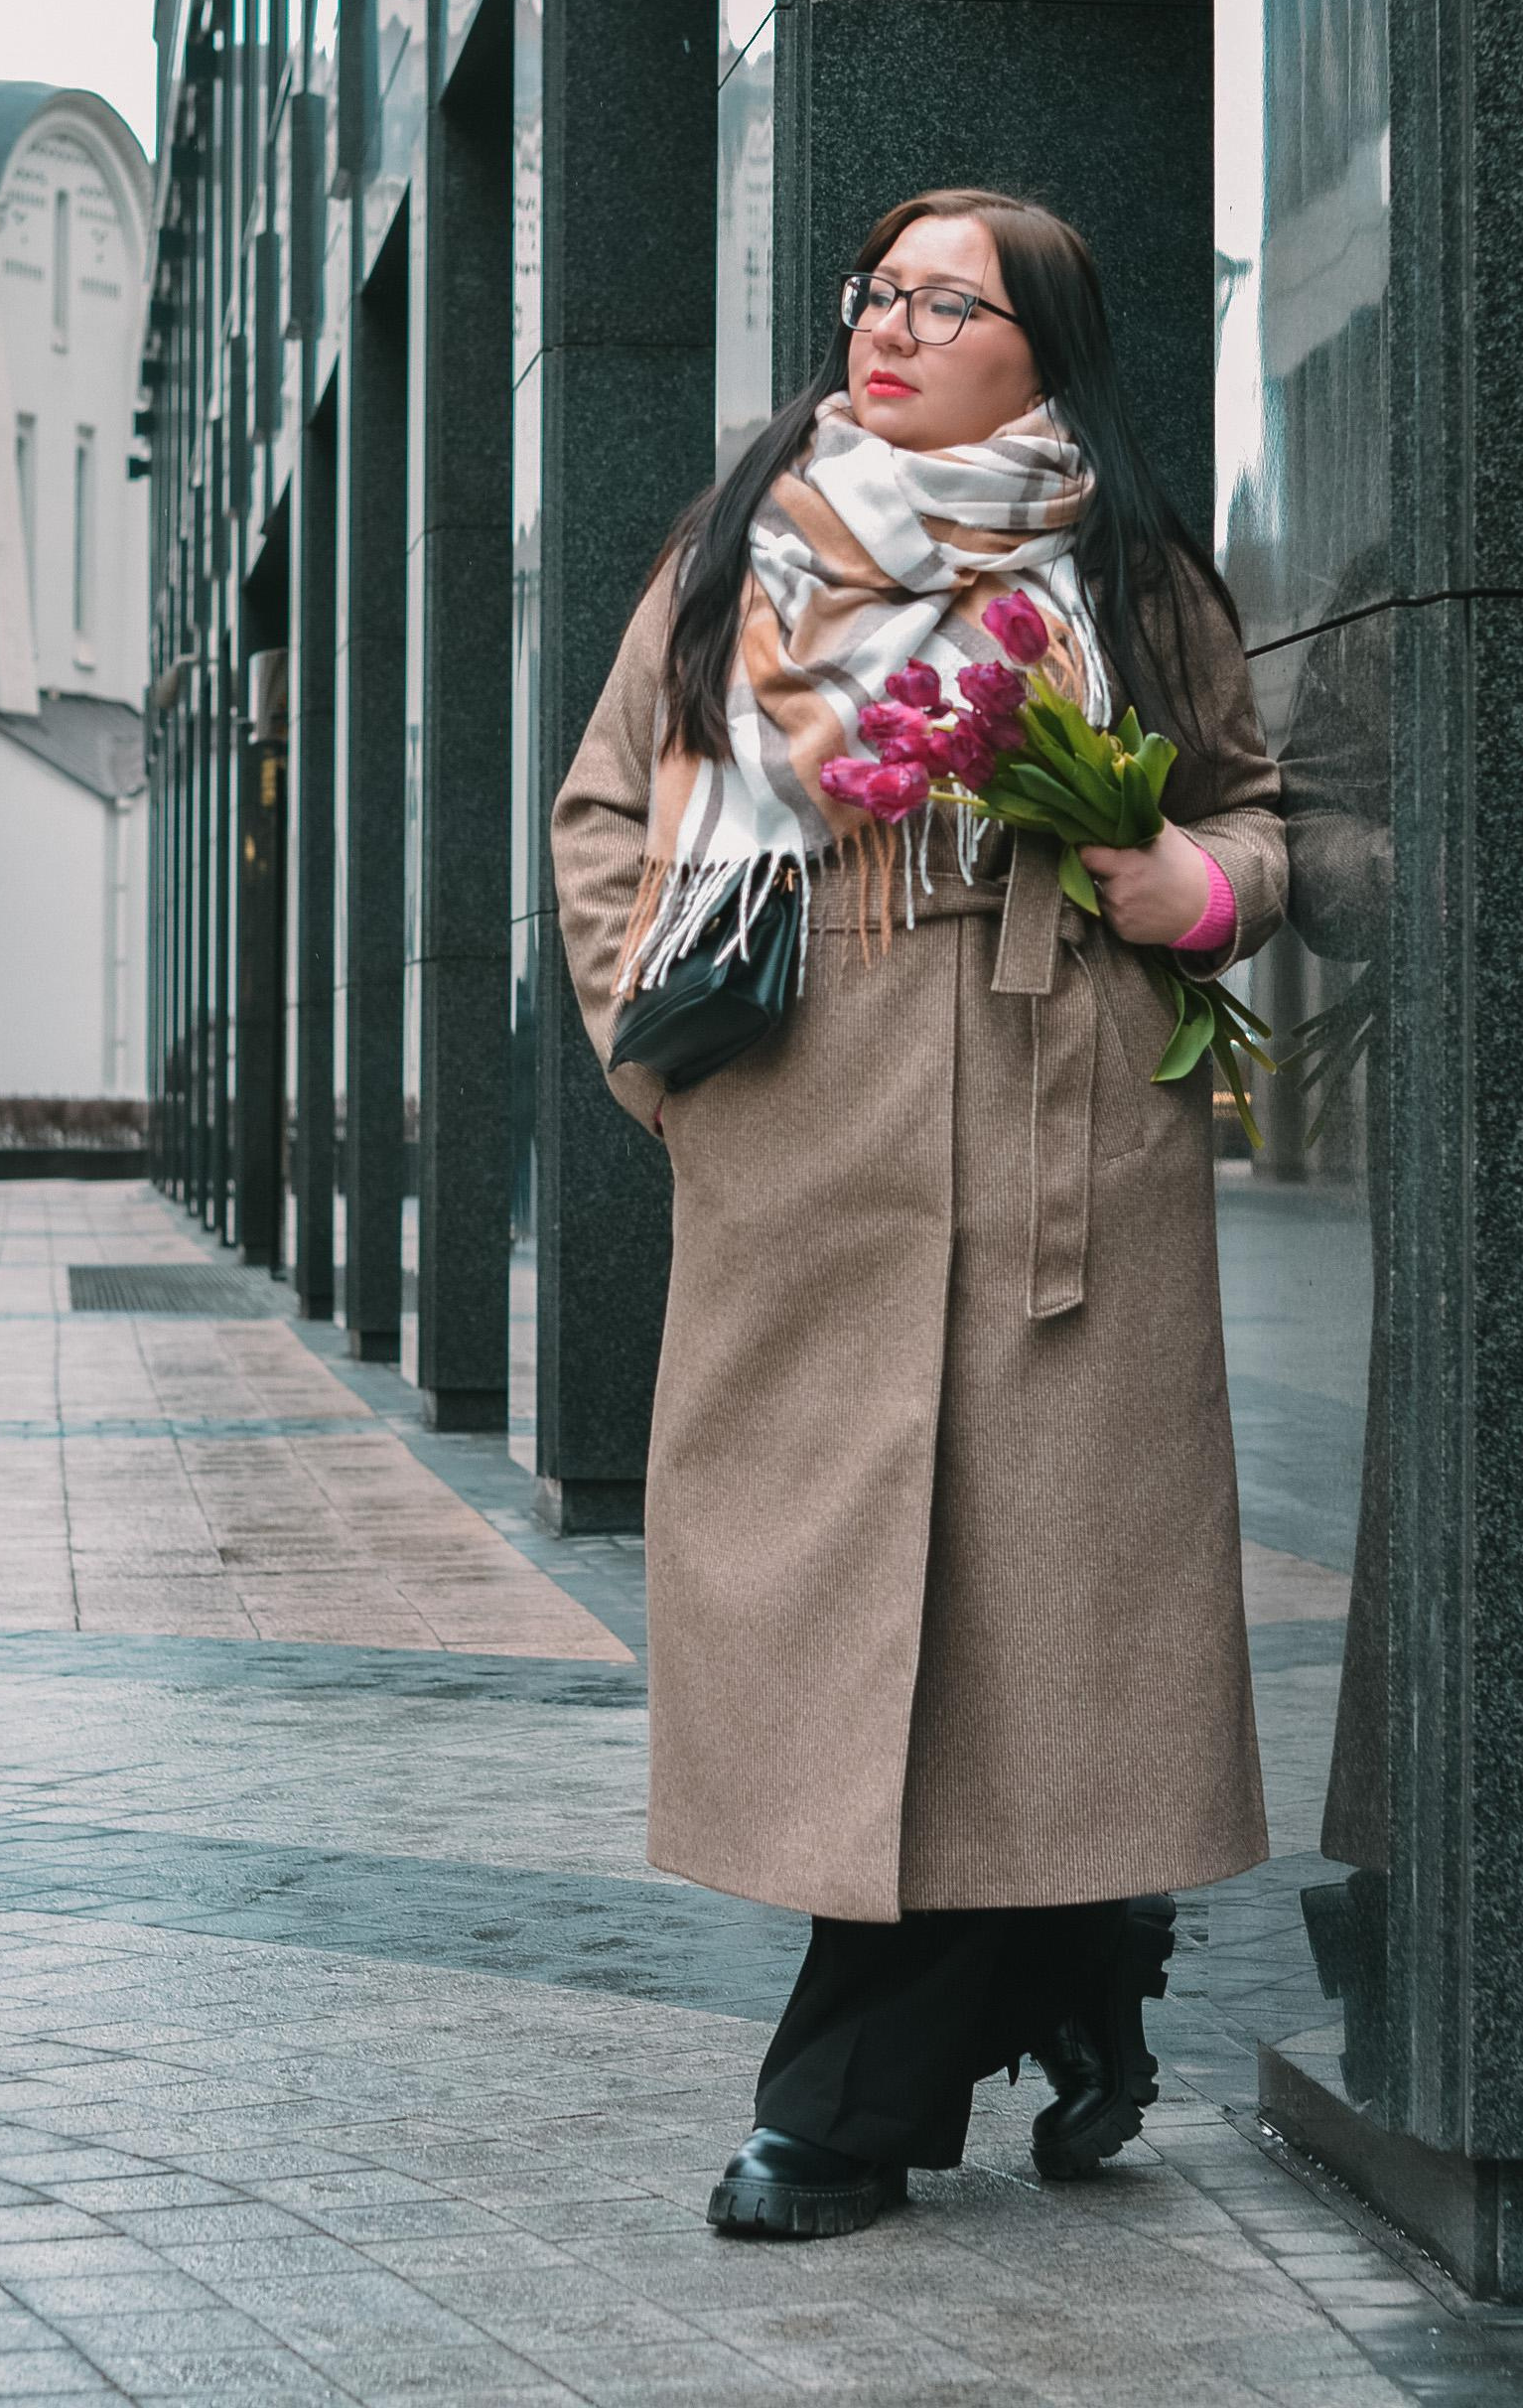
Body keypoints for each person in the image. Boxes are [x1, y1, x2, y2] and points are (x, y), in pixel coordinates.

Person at [551, 189, 1288, 2238]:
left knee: (1017, 1629)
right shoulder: (740, 553)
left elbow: (1250, 805)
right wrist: (664, 1068)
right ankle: (1082, 1959)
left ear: (1040, 344)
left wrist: (1190, 888)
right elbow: (608, 807)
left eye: (944, 303)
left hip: (1065, 1152)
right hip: (807, 1146)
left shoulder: (1129, 575)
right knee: (869, 1627)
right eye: (874, 294)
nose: (887, 328)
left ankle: (843, 2106)